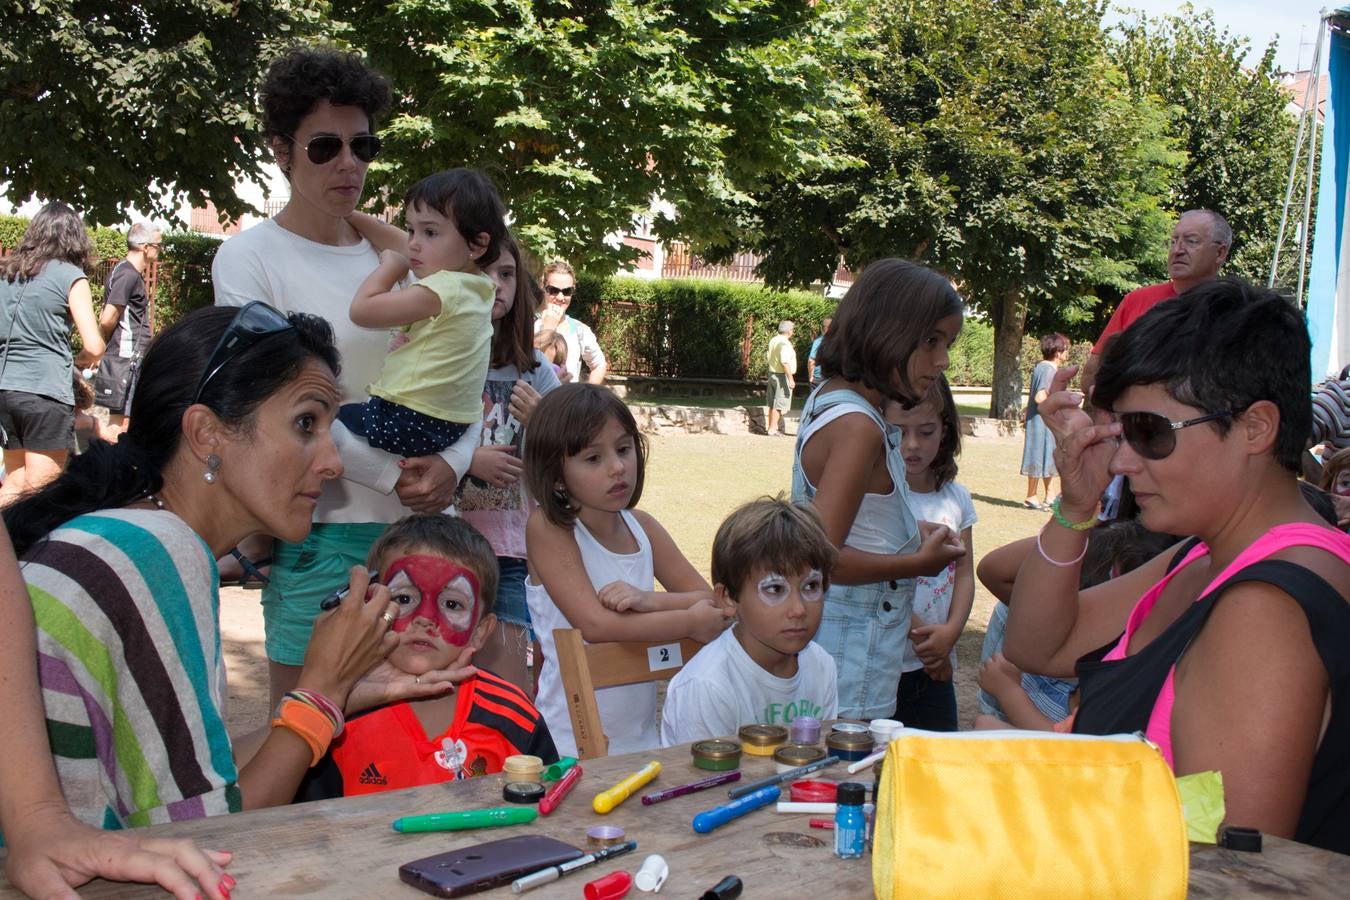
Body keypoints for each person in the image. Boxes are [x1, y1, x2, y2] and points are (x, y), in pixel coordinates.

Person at [0, 304, 466, 896]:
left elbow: (196, 774)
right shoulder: (156, 552)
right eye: (306, 424)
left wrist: (331, 697)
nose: (331, 460)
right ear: (206, 434)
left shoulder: (137, 534)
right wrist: (320, 695)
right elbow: (213, 832)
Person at [1004, 279, 1350, 851]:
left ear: (1256, 428)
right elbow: (1037, 646)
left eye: (1149, 432)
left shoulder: (1266, 609)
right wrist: (1074, 509)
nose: (1121, 458)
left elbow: (1231, 869)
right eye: (1120, 431)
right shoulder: (1211, 555)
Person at [211, 47, 481, 709]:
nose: (349, 164)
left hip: (422, 533)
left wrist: (453, 459)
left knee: (417, 747)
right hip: (317, 530)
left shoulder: (408, 256)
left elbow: (464, 376)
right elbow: (281, 408)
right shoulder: (248, 259)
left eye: (363, 145)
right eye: (325, 146)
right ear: (280, 149)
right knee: (304, 745)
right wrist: (398, 478)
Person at [791, 259, 967, 720]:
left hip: (843, 651)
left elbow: (857, 518)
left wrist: (915, 530)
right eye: (931, 341)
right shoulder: (858, 427)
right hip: (853, 659)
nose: (943, 360)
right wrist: (918, 562)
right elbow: (822, 557)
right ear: (886, 329)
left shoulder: (829, 397)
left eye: (946, 343)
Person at [522, 384, 730, 756]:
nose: (617, 468)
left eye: (623, 449)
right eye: (593, 459)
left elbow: (712, 600)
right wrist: (687, 622)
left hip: (642, 744)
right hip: (567, 743)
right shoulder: (549, 529)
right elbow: (596, 625)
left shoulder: (643, 527)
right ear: (555, 474)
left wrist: (648, 601)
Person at [298, 514, 557, 799]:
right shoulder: (338, 720)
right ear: (371, 604)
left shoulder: (514, 718)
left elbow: (545, 810)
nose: (426, 619)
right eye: (404, 598)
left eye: (452, 603)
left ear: (480, 632)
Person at [456, 232, 562, 695]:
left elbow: (572, 455)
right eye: (483, 272)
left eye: (506, 274)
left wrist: (542, 422)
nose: (496, 285)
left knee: (508, 686)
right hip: (447, 542)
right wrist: (467, 460)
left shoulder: (536, 368)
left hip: (512, 551)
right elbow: (408, 446)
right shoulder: (439, 360)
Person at [335, 169, 502, 459]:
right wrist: (351, 215)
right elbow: (403, 242)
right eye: (411, 229)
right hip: (450, 424)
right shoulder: (479, 287)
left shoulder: (443, 288)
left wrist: (390, 267)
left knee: (327, 419)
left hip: (407, 418)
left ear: (477, 244)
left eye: (430, 232)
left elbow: (362, 311)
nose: (413, 242)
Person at [660, 497, 838, 746]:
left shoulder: (821, 666)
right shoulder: (707, 687)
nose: (798, 609)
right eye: (775, 589)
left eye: (811, 586)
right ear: (729, 599)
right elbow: (707, 782)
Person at [0, 202, 105, 502]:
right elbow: (94, 345)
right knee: (42, 492)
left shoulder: (7, 273)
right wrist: (82, 360)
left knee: (17, 481)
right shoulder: (71, 276)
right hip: (44, 392)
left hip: (5, 389)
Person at [887, 375, 975, 730]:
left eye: (925, 432)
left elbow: (965, 575)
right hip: (889, 665)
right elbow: (882, 586)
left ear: (946, 430)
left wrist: (951, 632)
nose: (911, 445)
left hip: (936, 670)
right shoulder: (878, 501)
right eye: (898, 431)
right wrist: (929, 644)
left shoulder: (957, 498)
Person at [1079, 209, 1231, 399]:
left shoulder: (1237, 312)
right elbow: (1090, 379)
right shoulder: (1136, 301)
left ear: (1220, 252)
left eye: (1191, 241)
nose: (1177, 250)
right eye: (1173, 241)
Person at [94, 221, 160, 435]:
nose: (160, 250)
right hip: (125, 359)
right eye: (158, 245)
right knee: (118, 428)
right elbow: (108, 317)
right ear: (145, 247)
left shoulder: (123, 271)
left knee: (111, 423)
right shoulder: (128, 275)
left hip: (122, 358)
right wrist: (100, 347)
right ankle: (108, 466)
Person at [534, 261, 606, 384]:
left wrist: (585, 395)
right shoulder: (528, 324)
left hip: (568, 401)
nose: (561, 298)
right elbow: (532, 363)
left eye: (567, 291)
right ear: (543, 287)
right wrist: (548, 328)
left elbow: (599, 364)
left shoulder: (580, 330)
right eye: (553, 290)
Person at [1020, 333, 1069, 510]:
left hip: (1042, 420)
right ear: (1057, 351)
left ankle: (1050, 496)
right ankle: (1031, 496)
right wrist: (1060, 399)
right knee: (1038, 454)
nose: (1067, 353)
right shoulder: (1048, 369)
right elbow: (1041, 396)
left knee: (1048, 455)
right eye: (1065, 349)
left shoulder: (1042, 367)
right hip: (1042, 420)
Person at [765, 320, 796, 436]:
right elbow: (785, 362)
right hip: (782, 376)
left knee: (773, 403)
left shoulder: (774, 340)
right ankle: (772, 429)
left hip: (772, 373)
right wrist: (791, 379)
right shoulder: (785, 343)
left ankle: (771, 427)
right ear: (789, 331)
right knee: (779, 404)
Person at [807, 317, 832, 389]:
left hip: (819, 378)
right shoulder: (838, 342)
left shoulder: (819, 341)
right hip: (833, 379)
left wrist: (811, 376)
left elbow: (811, 361)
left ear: (822, 329)